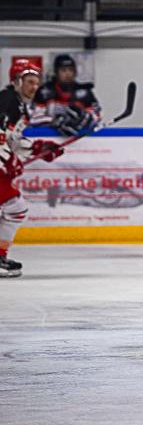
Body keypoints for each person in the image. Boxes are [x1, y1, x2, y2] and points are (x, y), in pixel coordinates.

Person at [0, 59, 64, 277]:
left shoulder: (18, 105)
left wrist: (39, 148)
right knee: (15, 208)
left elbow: (12, 140)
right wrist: (7, 162)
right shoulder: (6, 100)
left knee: (14, 208)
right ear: (16, 81)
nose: (34, 87)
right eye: (29, 81)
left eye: (36, 82)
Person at [30, 54, 102, 136]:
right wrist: (54, 121)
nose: (68, 74)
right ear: (56, 72)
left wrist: (84, 118)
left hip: (80, 140)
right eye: (63, 70)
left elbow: (97, 116)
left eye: (71, 70)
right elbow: (33, 118)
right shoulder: (44, 91)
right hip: (48, 139)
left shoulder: (85, 92)